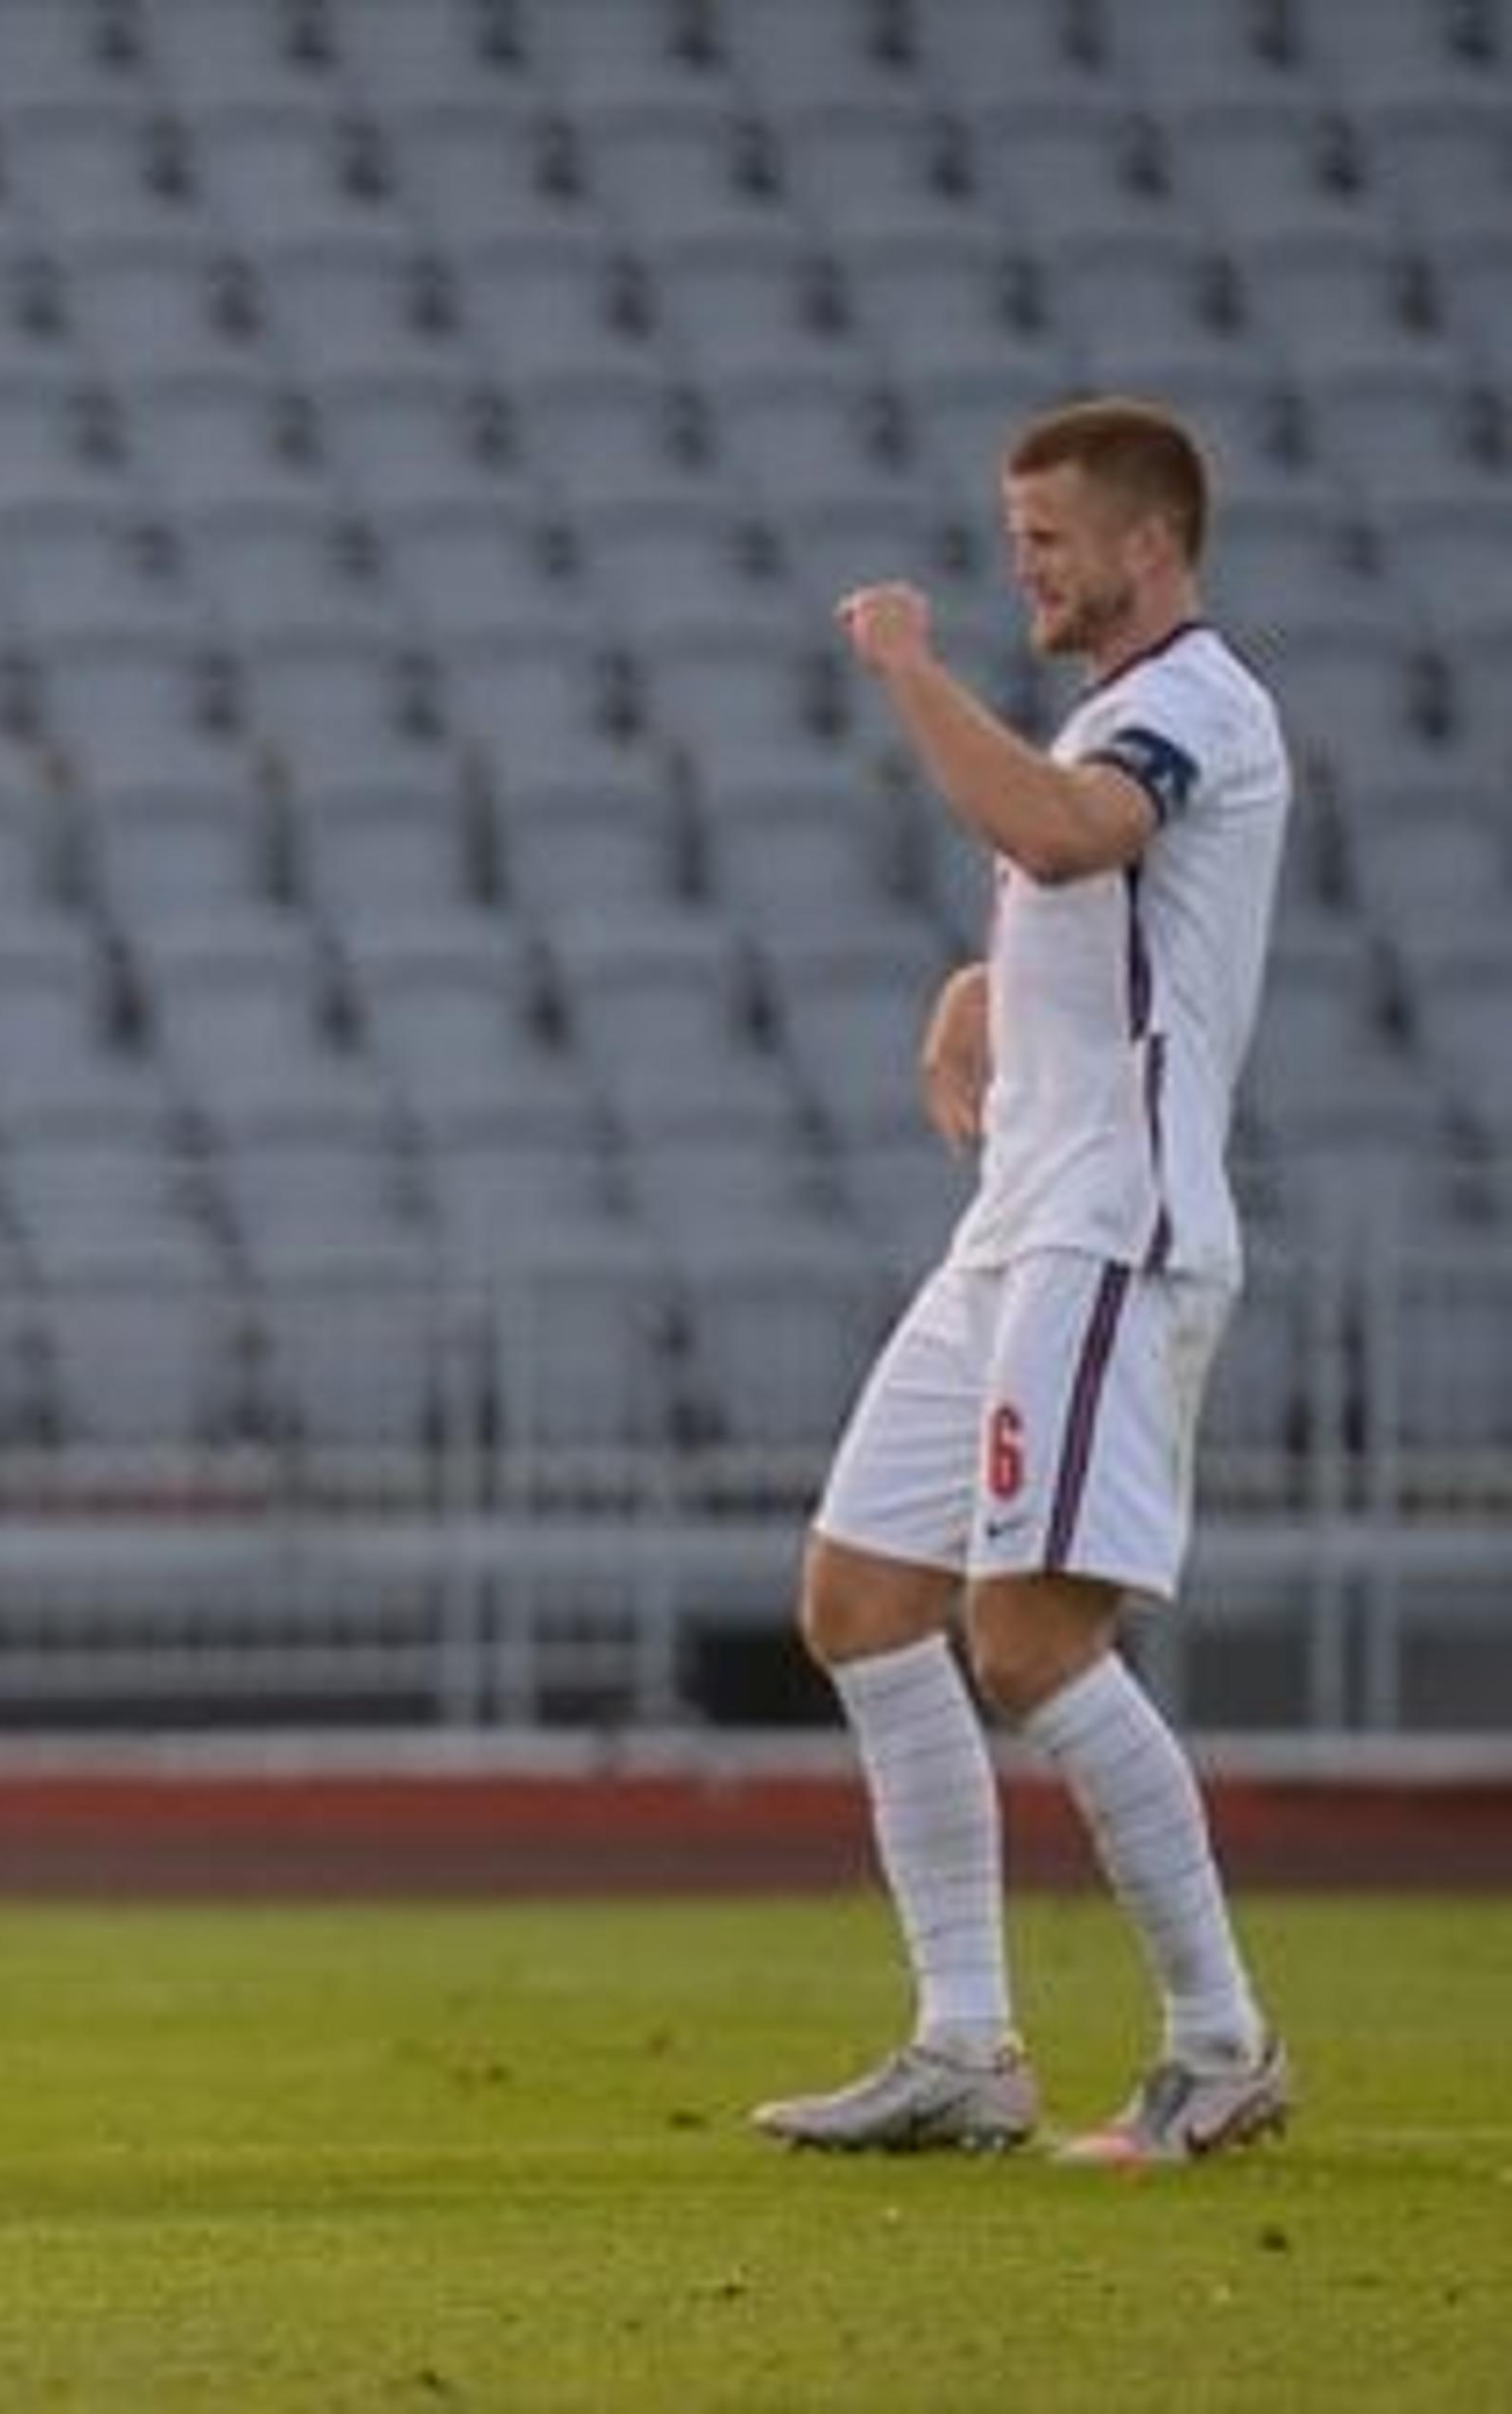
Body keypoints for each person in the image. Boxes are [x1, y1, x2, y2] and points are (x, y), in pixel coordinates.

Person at [751, 397, 1295, 2165]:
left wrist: (907, 669)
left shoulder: (1199, 705)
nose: (1025, 571)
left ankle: (1220, 2041)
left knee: (1032, 1634)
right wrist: (980, 988)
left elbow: (1075, 837)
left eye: (1050, 540)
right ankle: (967, 2045)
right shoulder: (1115, 718)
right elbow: (1083, 896)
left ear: (1148, 544)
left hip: (1105, 1233)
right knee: (856, 1598)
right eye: (1015, 539)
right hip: (1014, 1221)